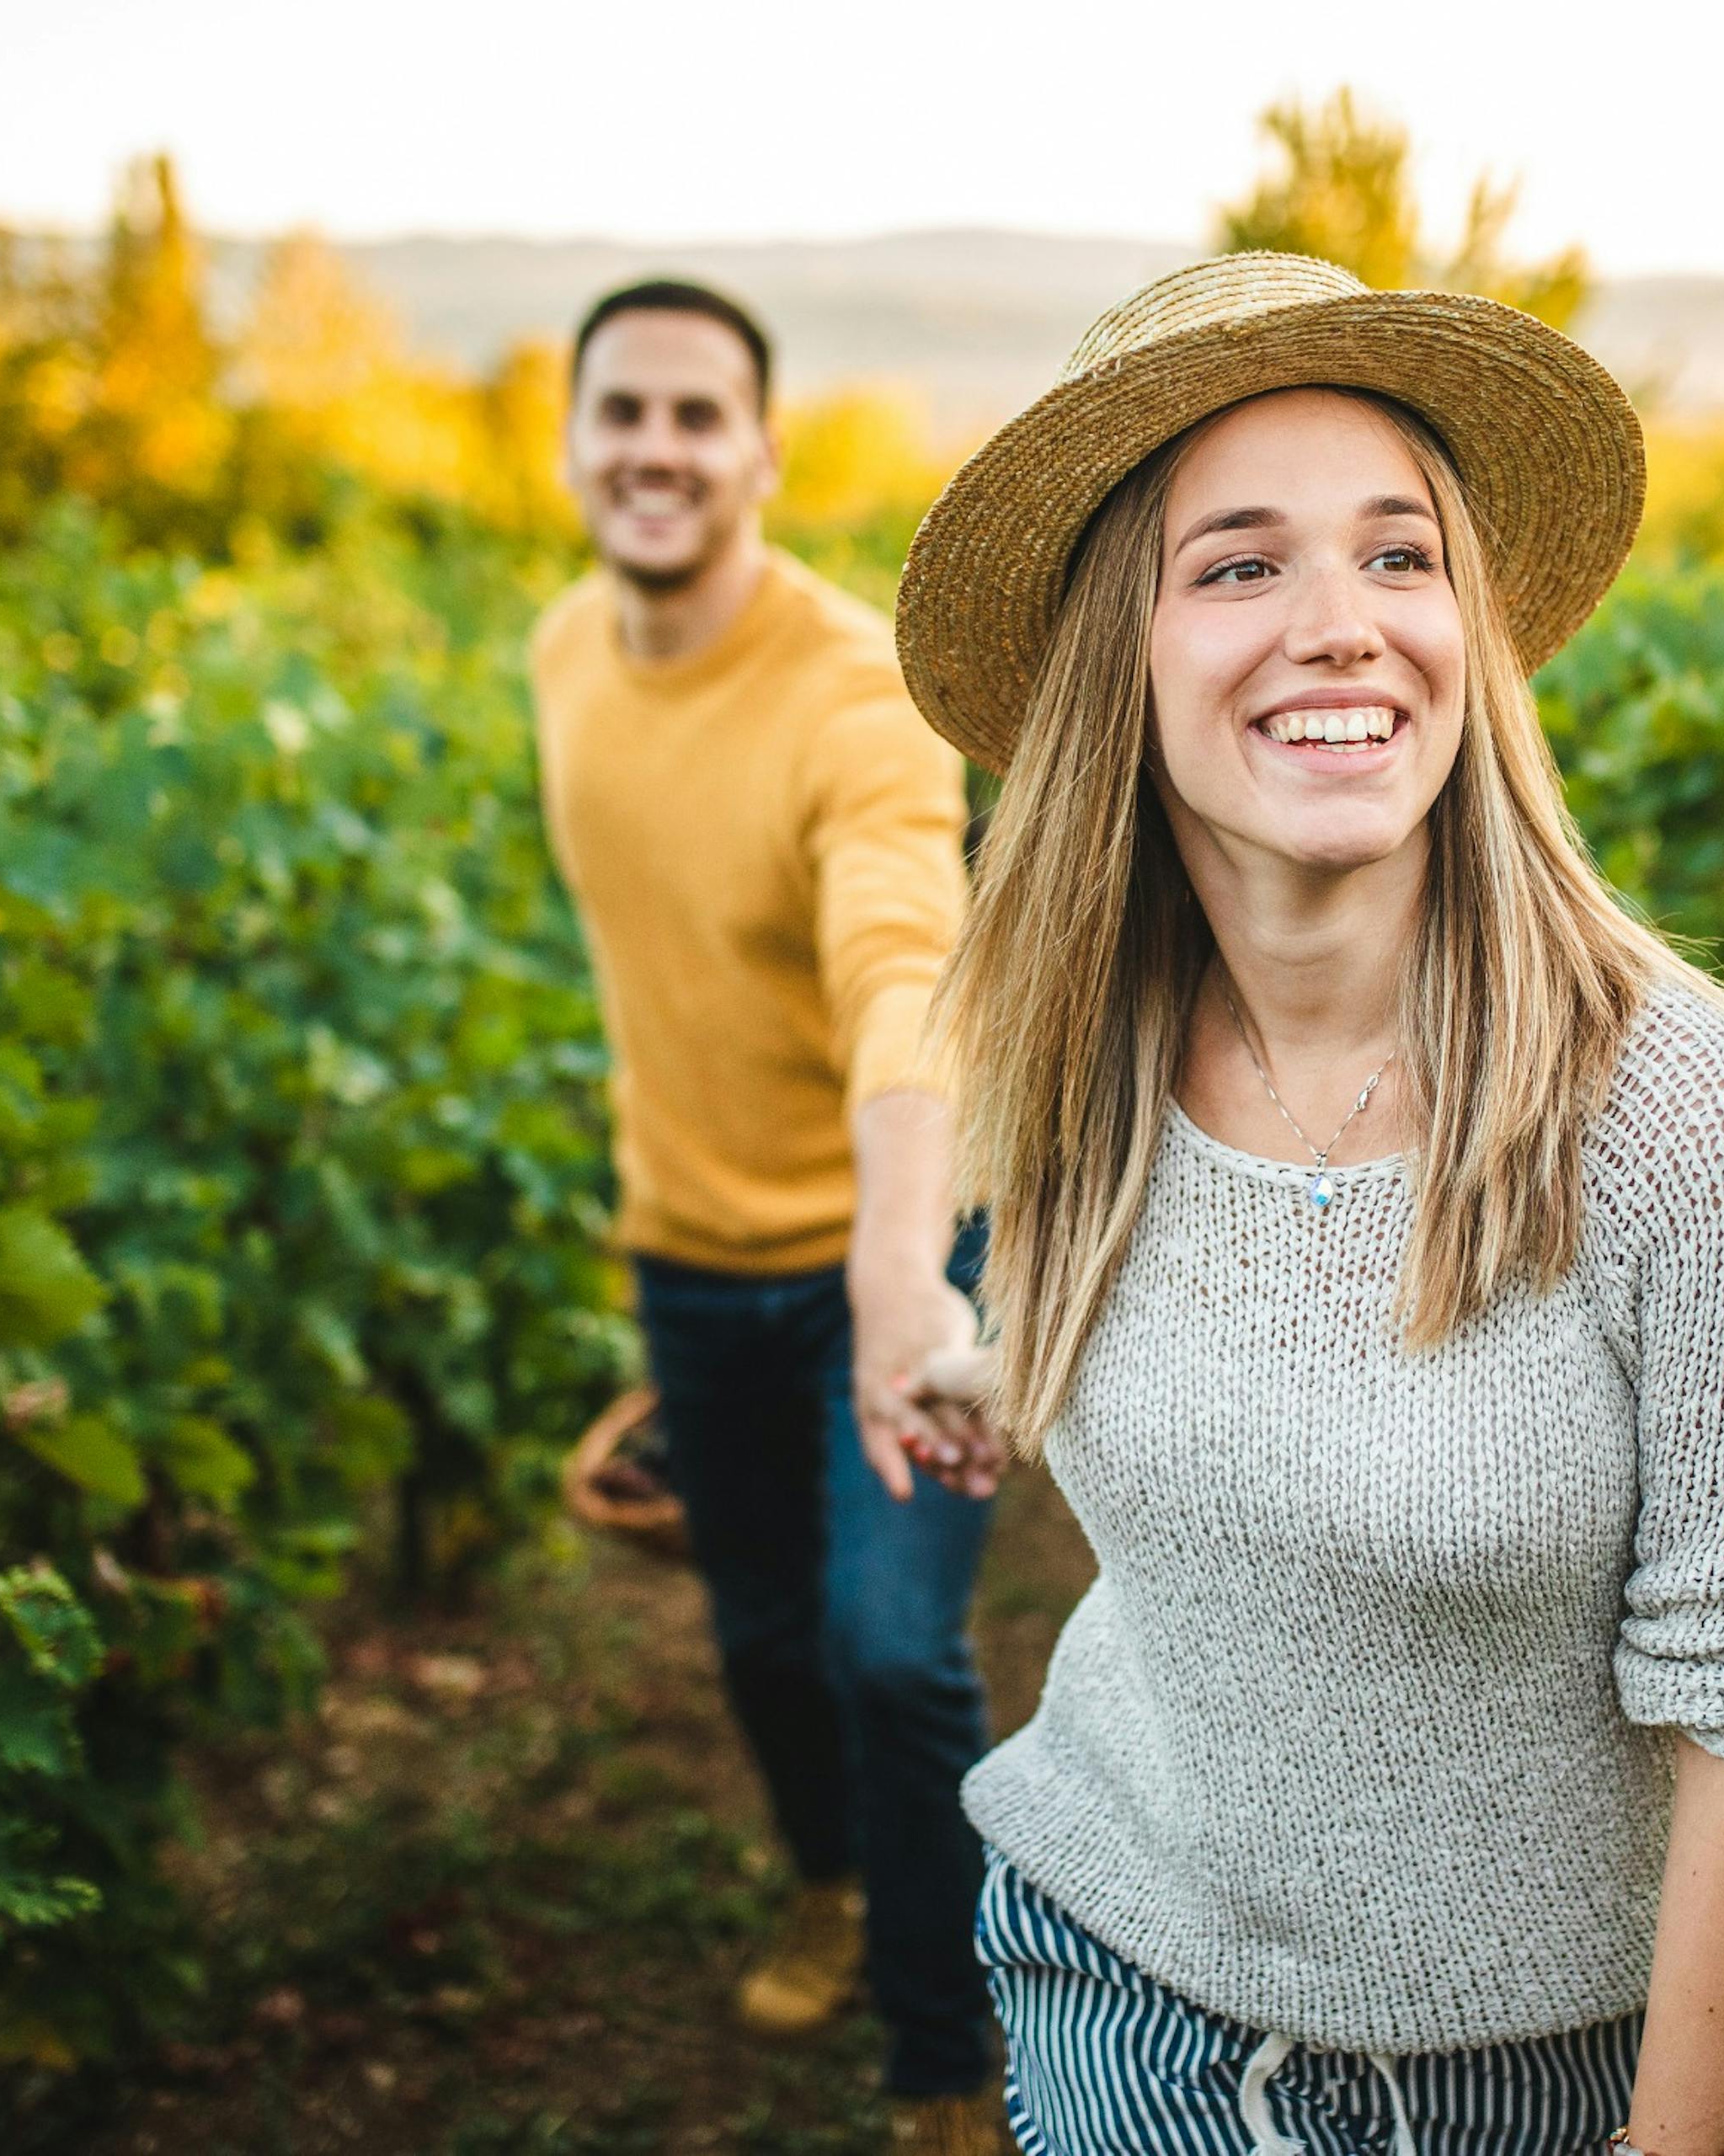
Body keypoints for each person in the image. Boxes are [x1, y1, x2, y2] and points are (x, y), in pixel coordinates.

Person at [888, 253, 1724, 2156]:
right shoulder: (1080, 1039)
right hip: (1117, 1987)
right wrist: (996, 1369)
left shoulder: (1675, 1114)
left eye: (1399, 555)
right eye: (1242, 564)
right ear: (1129, 654)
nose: (1341, 625)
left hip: (1530, 2083)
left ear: (1472, 633)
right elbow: (1193, 1334)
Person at [531, 278, 1007, 2153]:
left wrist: (901, 1263)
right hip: (686, 1252)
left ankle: (946, 2044)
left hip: (880, 1245)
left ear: (761, 451)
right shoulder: (566, 652)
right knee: (757, 1638)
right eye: (622, 411)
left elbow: (907, 965)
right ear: (574, 442)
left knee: (893, 1648)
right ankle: (829, 1877)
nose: (655, 447)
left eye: (696, 415)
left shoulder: (852, 696)